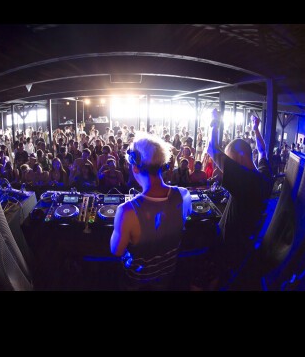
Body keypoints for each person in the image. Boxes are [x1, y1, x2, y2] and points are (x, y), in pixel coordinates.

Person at [110, 133, 192, 291]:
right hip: (167, 273)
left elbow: (116, 250)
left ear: (134, 167)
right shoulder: (184, 195)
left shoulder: (126, 211)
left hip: (136, 278)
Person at [206, 109, 273, 289]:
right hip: (245, 242)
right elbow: (262, 151)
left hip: (230, 245)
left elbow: (211, 148)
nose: (228, 165)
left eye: (230, 160)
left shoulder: (245, 180)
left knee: (221, 279)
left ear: (238, 158)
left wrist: (215, 122)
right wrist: (256, 128)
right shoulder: (265, 176)